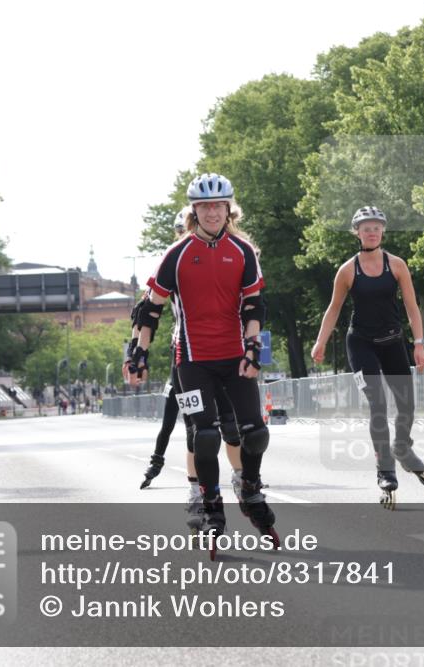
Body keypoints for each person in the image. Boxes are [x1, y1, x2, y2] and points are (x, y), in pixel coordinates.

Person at [127, 173, 276, 546]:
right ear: (195, 211)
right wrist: (138, 354)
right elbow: (150, 310)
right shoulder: (175, 255)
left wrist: (253, 348)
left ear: (229, 209)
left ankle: (249, 484)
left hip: (234, 357)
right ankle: (209, 503)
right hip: (191, 360)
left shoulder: (242, 252)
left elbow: (254, 305)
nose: (212, 212)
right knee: (205, 436)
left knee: (255, 433)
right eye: (205, 206)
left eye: (218, 206)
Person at [311, 205, 424, 507]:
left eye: (376, 227)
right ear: (357, 232)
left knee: (407, 405)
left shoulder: (398, 265)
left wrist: (418, 344)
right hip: (361, 343)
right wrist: (320, 343)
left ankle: (402, 447)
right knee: (378, 403)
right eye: (366, 227)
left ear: (383, 231)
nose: (372, 231)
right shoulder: (348, 270)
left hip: (393, 342)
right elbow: (334, 309)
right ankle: (386, 470)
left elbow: (412, 307)